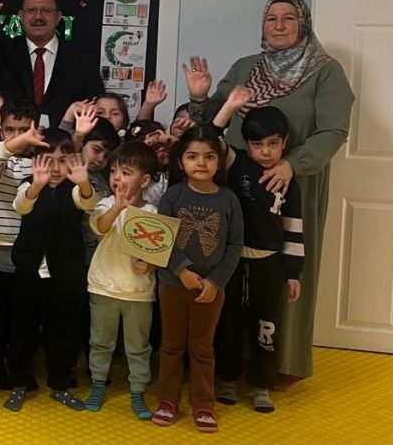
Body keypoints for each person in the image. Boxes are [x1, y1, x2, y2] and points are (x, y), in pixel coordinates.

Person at [183, 0, 353, 378]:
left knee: (278, 276)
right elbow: (211, 126)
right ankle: (228, 363)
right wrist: (199, 97)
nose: (278, 25)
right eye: (270, 18)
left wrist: (292, 164)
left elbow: (334, 130)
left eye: (288, 18)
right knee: (228, 269)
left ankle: (277, 363)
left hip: (288, 187)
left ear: (303, 23)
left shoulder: (326, 72)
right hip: (235, 187)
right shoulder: (245, 67)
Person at [211, 88, 304, 412]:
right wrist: (229, 106)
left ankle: (262, 385)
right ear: (246, 144)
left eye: (273, 144)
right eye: (257, 144)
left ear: (285, 142)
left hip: (270, 266)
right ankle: (227, 379)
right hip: (232, 263)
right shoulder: (236, 164)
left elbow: (293, 227)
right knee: (229, 324)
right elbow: (210, 139)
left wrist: (293, 272)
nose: (265, 151)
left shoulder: (288, 180)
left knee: (267, 327)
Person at [152, 126, 243, 433]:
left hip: (210, 290)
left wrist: (215, 282)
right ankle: (167, 401)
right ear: (181, 162)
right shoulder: (172, 196)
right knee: (171, 345)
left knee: (202, 348)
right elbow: (162, 239)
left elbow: (234, 246)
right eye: (192, 156)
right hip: (173, 285)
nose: (201, 162)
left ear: (219, 162)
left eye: (209, 156)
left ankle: (203, 404)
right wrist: (182, 271)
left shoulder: (229, 200)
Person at [6, 129, 98, 412]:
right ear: (36, 161)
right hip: (28, 269)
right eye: (48, 160)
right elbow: (21, 206)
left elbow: (89, 203)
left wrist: (83, 182)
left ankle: (60, 383)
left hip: (65, 272)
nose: (56, 168)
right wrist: (36, 184)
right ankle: (19, 383)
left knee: (63, 330)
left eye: (62, 160)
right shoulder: (28, 184)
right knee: (22, 328)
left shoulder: (75, 188)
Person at [0, 0, 102, 127]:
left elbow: (95, 104)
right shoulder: (2, 53)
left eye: (46, 10)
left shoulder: (82, 58)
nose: (38, 16)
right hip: (10, 142)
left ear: (58, 17)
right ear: (21, 16)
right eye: (31, 10)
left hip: (64, 142)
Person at [85, 141, 159, 419]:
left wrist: (149, 265)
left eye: (126, 172)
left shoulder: (152, 213)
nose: (117, 177)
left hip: (138, 292)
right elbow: (100, 228)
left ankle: (138, 390)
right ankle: (98, 384)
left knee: (138, 346)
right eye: (114, 171)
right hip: (103, 286)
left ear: (145, 180)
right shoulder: (105, 203)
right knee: (100, 341)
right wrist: (117, 207)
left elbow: (157, 253)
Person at [0, 101, 47, 391]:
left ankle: (22, 368)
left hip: (32, 252)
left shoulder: (41, 161)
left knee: (26, 318)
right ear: (0, 129)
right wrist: (17, 142)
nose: (18, 136)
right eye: (10, 130)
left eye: (24, 130)